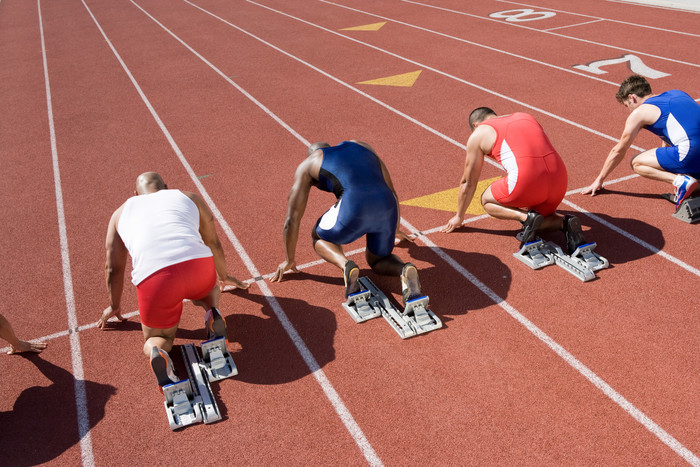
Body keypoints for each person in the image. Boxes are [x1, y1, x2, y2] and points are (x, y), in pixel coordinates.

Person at [97, 172, 248, 387]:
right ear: (166, 187)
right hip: (198, 267)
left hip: (156, 280)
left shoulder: (119, 214)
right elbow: (213, 242)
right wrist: (223, 276)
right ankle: (212, 313)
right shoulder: (189, 197)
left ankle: (159, 352)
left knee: (158, 339)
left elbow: (113, 267)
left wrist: (114, 305)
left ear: (135, 194)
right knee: (210, 290)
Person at [271, 140, 423, 306]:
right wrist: (395, 228)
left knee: (318, 236)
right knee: (379, 260)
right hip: (387, 205)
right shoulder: (361, 145)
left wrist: (289, 259)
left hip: (354, 207)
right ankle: (404, 270)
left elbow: (291, 220)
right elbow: (392, 190)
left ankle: (347, 265)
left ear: (314, 154)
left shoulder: (308, 165)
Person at [442, 107, 585, 253]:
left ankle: (527, 218)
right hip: (559, 180)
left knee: (486, 200)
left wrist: (459, 216)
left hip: (526, 181)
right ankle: (564, 222)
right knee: (541, 216)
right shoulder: (525, 116)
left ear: (475, 125)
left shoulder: (479, 132)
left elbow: (468, 182)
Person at [582, 75, 700, 210]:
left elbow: (619, 150)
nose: (630, 110)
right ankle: (691, 182)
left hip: (691, 153)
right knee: (692, 174)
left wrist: (600, 179)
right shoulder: (677, 93)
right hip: (694, 151)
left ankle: (680, 182)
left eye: (628, 106)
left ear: (632, 97)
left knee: (636, 162)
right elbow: (676, 130)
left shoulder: (640, 112)